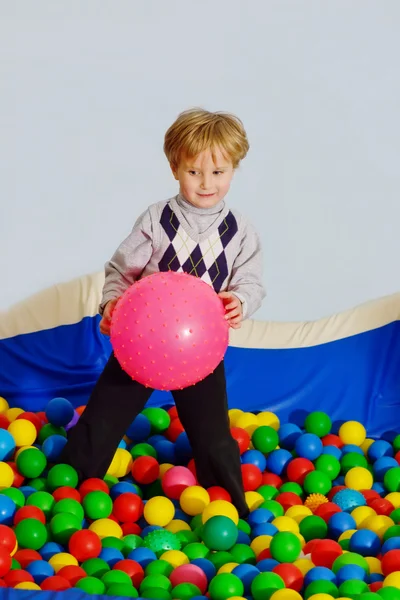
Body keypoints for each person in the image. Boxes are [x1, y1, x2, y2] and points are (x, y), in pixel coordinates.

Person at [60, 108, 265, 518]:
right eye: (194, 172)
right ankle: (67, 491)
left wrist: (240, 300)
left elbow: (252, 280)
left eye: (218, 172)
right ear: (175, 169)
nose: (206, 184)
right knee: (103, 418)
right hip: (141, 345)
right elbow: (121, 271)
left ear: (234, 171)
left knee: (213, 434)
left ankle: (229, 509)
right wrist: (112, 305)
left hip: (199, 353)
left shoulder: (239, 229)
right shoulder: (157, 219)